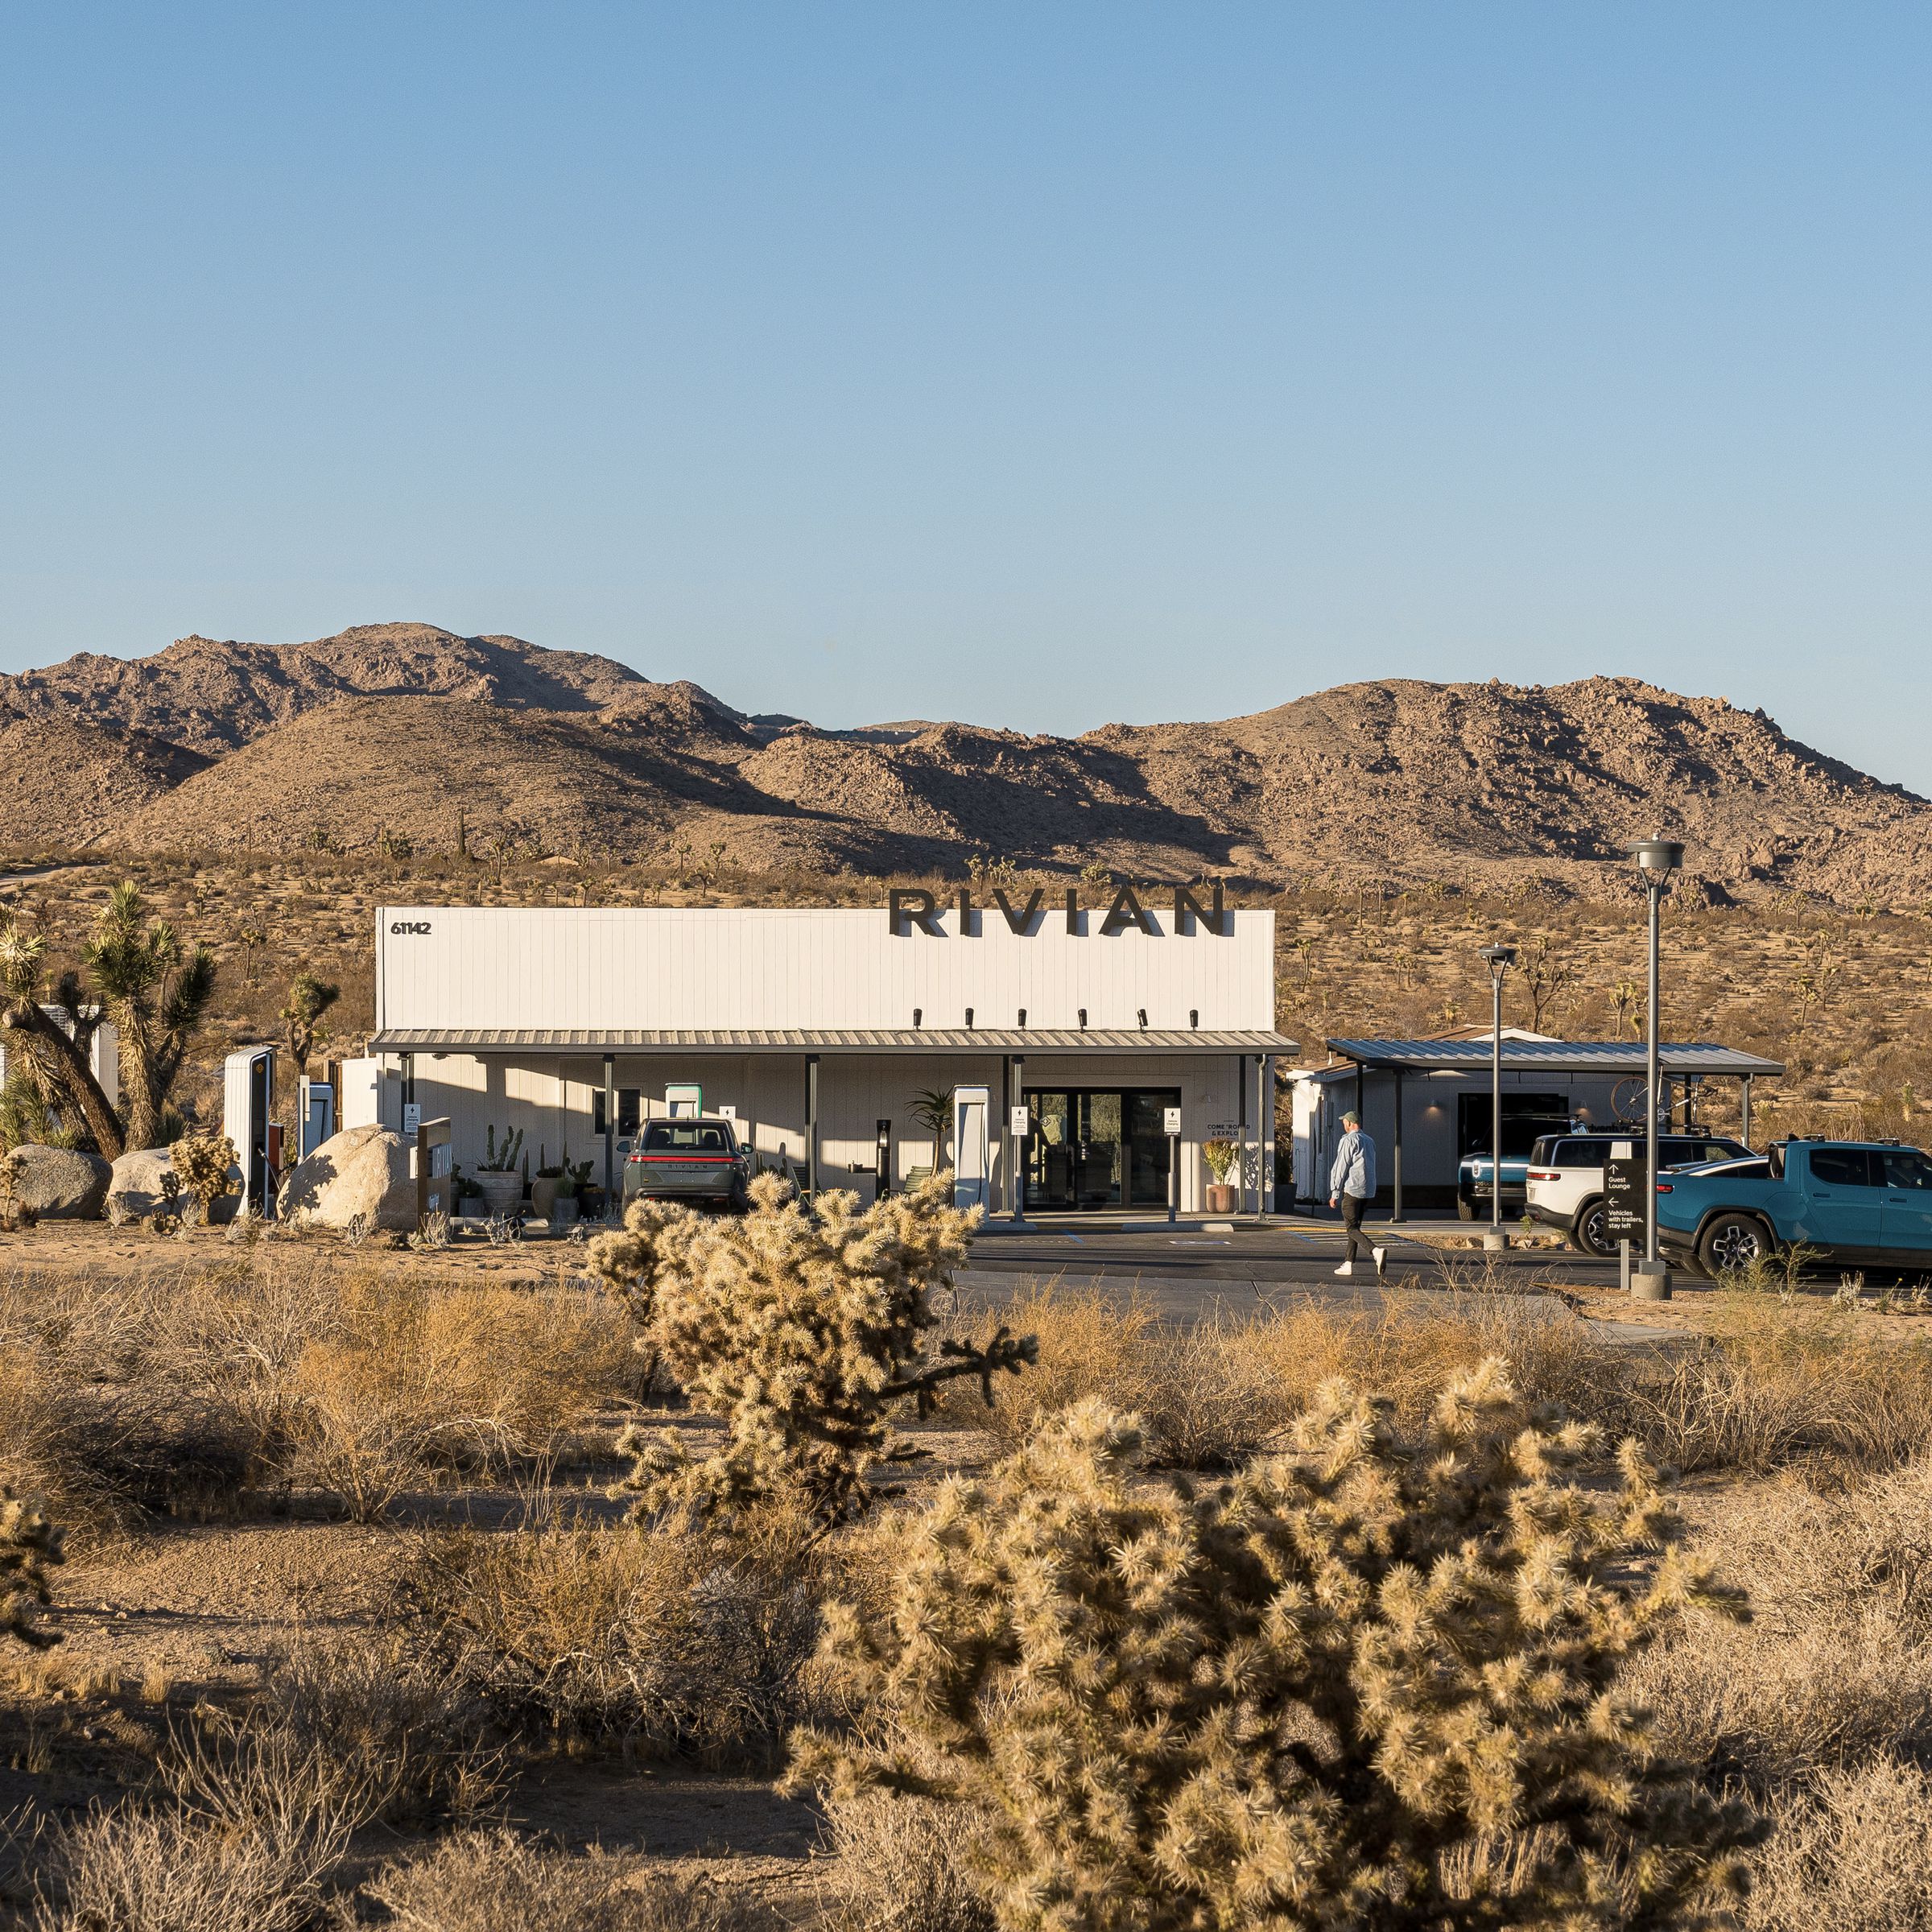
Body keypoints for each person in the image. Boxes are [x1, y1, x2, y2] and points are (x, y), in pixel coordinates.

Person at [1328, 1108, 1385, 1279]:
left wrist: (1335, 1192)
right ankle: (1348, 1263)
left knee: (1351, 1228)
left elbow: (1341, 1166)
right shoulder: (1370, 1141)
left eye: (1344, 1122)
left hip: (1352, 1189)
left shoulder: (1349, 1140)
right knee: (1355, 1227)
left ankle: (1376, 1251)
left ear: (1350, 1123)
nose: (1343, 1125)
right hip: (1367, 1190)